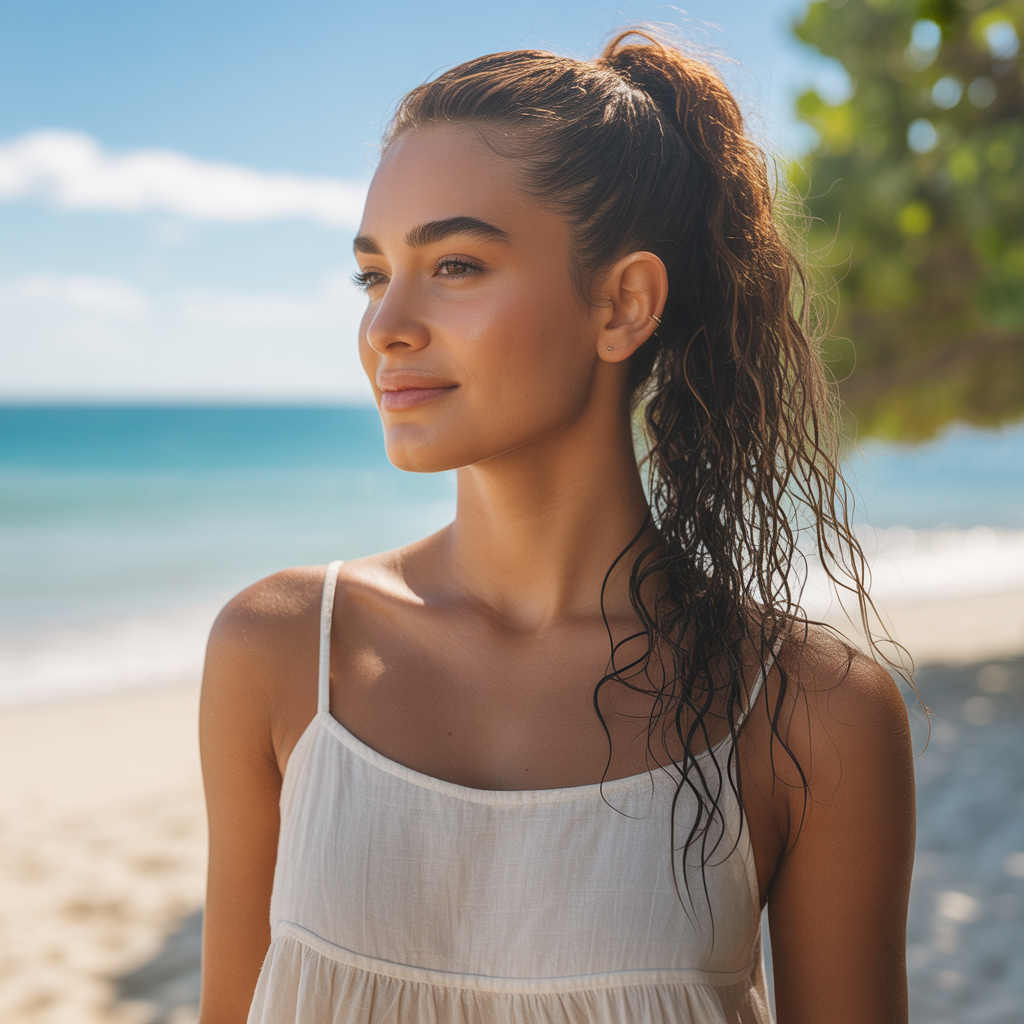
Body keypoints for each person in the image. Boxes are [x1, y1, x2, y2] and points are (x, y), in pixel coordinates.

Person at [197, 28, 917, 1024]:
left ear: (622, 303)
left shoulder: (811, 712)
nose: (386, 326)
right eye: (373, 274)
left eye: (454, 265)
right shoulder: (280, 651)